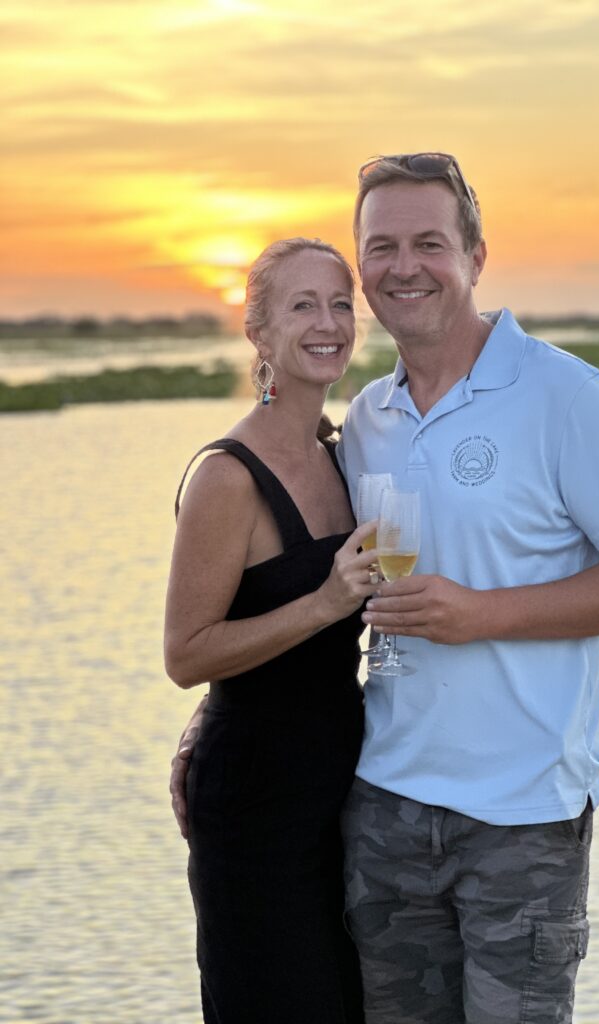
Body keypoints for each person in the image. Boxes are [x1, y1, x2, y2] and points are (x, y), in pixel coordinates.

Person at [172, 154, 599, 1024]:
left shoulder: (564, 395)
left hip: (521, 814)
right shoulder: (367, 420)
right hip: (382, 810)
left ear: (475, 255)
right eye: (381, 247)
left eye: (429, 243)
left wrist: (481, 616)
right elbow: (270, 596)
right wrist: (224, 718)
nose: (403, 266)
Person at [164, 237, 380, 1023]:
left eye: (339, 304)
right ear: (257, 331)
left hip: (343, 786)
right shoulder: (226, 476)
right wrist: (324, 602)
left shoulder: (343, 454)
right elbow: (186, 655)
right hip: (256, 804)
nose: (328, 323)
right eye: (301, 306)